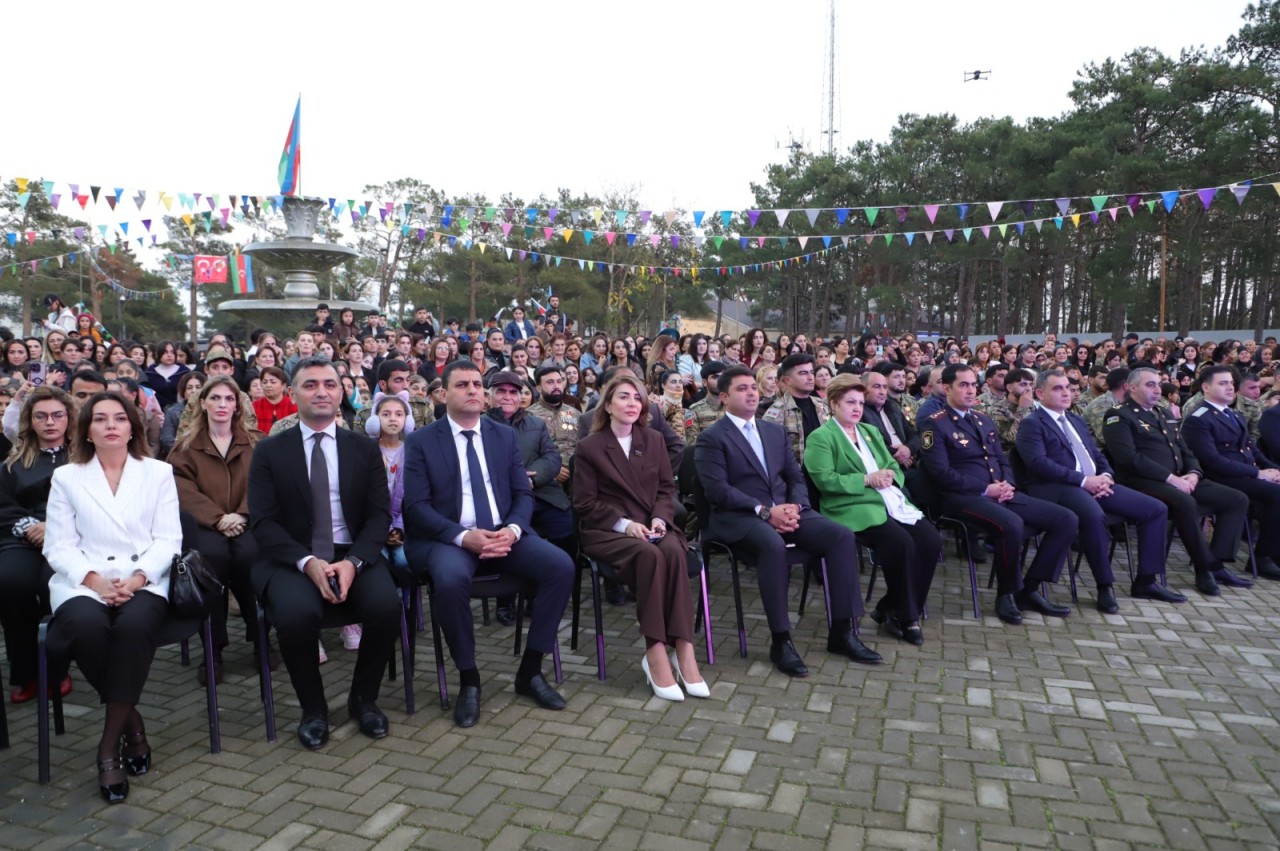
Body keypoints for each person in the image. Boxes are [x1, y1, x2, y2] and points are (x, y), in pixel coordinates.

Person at [402, 360, 574, 728]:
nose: (472, 391)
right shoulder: (420, 441)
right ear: (443, 393)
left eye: (478, 385)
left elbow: (521, 493)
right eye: (462, 384)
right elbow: (415, 507)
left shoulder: (502, 435)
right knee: (449, 581)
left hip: (502, 533)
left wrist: (511, 530)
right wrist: (466, 537)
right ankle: (469, 679)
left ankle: (530, 672)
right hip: (449, 538)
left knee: (560, 567)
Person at [247, 357, 402, 750]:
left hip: (353, 552)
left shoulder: (363, 450)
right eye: (311, 384)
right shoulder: (269, 451)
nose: (321, 391)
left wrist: (354, 563)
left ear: (340, 394)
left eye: (330, 385)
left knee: (386, 606)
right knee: (297, 616)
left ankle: (363, 699)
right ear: (294, 393)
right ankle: (313, 708)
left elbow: (378, 515)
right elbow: (263, 522)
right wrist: (307, 562)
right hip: (291, 556)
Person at [694, 365, 880, 676]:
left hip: (787, 509)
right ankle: (781, 640)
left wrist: (796, 506)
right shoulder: (711, 438)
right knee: (773, 546)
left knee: (841, 536)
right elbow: (718, 491)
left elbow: (795, 475)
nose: (752, 392)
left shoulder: (773, 431)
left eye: (753, 387)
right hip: (739, 518)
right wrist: (765, 512)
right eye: (742, 389)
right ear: (724, 397)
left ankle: (843, 632)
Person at [43, 392, 182, 803]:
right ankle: (132, 727)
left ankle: (107, 748)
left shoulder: (157, 472)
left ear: (132, 427)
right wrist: (93, 581)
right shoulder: (67, 477)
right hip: (84, 579)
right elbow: (58, 545)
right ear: (86, 428)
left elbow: (168, 539)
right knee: (86, 628)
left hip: (145, 578)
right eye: (100, 419)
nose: (110, 426)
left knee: (135, 627)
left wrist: (137, 579)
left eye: (119, 418)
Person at [573, 372, 708, 701]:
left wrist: (661, 519)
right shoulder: (590, 447)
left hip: (652, 524)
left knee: (675, 551)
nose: (632, 403)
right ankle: (655, 652)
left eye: (637, 398)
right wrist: (624, 524)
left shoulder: (653, 440)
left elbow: (666, 488)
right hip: (606, 530)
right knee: (649, 555)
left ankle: (684, 649)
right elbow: (584, 503)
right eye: (623, 397)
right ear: (607, 404)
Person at [1015, 369, 1191, 610]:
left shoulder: (1075, 419)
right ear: (1039, 393)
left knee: (1155, 509)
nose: (1066, 392)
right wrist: (1083, 481)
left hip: (1093, 484)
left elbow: (1096, 454)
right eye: (1058, 388)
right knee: (1093, 515)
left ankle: (1146, 581)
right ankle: (1104, 586)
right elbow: (1038, 464)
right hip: (1054, 487)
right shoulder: (1032, 423)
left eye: (1067, 387)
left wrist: (1106, 475)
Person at [918, 364, 1079, 625]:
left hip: (999, 492)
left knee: (1066, 519)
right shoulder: (934, 424)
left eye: (973, 385)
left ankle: (1030, 589)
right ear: (946, 388)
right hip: (961, 497)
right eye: (963, 385)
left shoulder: (983, 419)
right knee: (1011, 524)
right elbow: (940, 473)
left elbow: (1000, 458)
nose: (971, 391)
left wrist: (1007, 484)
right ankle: (1007, 594)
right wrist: (985, 489)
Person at [804, 376, 939, 646]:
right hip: (851, 507)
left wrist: (890, 475)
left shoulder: (870, 431)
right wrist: (867, 479)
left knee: (930, 540)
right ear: (833, 404)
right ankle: (907, 616)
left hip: (887, 500)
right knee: (901, 544)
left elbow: (893, 465)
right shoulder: (821, 437)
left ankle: (889, 606)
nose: (857, 408)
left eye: (860, 403)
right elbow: (826, 481)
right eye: (850, 402)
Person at [1103, 367, 1256, 586]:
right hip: (1142, 482)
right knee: (1185, 502)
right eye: (1150, 385)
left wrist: (1193, 473)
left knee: (1236, 499)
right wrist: (1172, 479)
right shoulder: (1118, 415)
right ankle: (1205, 569)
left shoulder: (1163, 413)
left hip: (1180, 478)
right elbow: (1128, 459)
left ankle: (1218, 563)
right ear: (1132, 387)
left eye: (1159, 384)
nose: (1157, 390)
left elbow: (1184, 449)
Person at [168, 378, 264, 683]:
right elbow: (181, 489)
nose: (222, 404)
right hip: (206, 526)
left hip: (247, 521)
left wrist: (243, 514)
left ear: (237, 405)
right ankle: (214, 648)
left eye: (228, 399)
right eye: (216, 398)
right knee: (212, 559)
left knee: (249, 556)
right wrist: (218, 518)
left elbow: (266, 483)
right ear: (203, 403)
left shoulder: (256, 443)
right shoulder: (185, 447)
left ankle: (259, 634)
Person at [0, 386, 75, 703]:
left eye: (57, 415)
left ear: (69, 419)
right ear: (30, 421)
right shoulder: (13, 460)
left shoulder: (84, 459)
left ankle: (56, 670)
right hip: (21, 537)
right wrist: (30, 526)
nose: (50, 422)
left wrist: (54, 528)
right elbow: (3, 504)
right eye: (41, 416)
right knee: (10, 583)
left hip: (70, 538)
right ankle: (25, 671)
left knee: (53, 585)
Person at [1181, 364, 1280, 580]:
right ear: (1206, 388)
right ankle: (1263, 557)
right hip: (1220, 477)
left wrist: (1272, 469)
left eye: (1232, 383)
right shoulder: (1198, 418)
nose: (1230, 388)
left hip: (1242, 474)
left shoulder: (1233, 414)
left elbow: (1250, 448)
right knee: (1276, 495)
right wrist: (1259, 474)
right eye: (1223, 383)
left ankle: (1274, 553)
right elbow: (1212, 461)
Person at [143, 341, 190, 410]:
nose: (169, 355)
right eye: (165, 352)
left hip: (179, 411)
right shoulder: (149, 373)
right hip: (156, 412)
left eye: (172, 352)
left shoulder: (184, 372)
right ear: (158, 354)